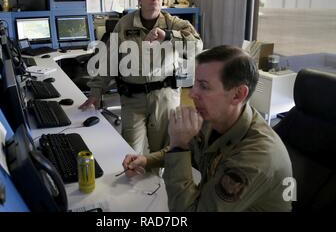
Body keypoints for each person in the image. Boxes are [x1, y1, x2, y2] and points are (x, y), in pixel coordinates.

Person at [122, 45, 293, 211]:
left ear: (238, 94)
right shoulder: (214, 117)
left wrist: (177, 146)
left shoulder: (256, 158)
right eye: (195, 83)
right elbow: (191, 146)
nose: (191, 94)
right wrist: (147, 160)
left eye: (204, 86)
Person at [79, 0, 202, 154]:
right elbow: (108, 61)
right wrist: (96, 91)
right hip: (133, 99)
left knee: (161, 153)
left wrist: (168, 35)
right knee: (130, 152)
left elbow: (197, 46)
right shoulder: (124, 24)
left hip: (164, 98)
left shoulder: (174, 23)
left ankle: (158, 183)